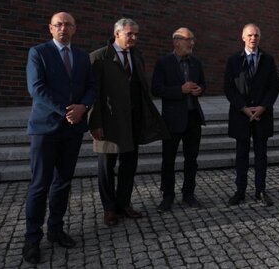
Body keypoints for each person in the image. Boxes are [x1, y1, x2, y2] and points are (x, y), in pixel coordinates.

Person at [23, 12, 96, 264]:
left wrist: (83, 107)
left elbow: (92, 87)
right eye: (58, 25)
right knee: (39, 184)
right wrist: (69, 110)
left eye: (68, 25)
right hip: (45, 129)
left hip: (72, 130)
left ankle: (55, 229)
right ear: (50, 29)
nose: (63, 29)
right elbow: (37, 89)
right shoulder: (38, 53)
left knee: (63, 182)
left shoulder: (82, 57)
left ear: (75, 29)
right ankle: (32, 238)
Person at [88, 18, 169, 226]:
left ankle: (123, 204)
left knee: (129, 165)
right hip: (108, 123)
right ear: (117, 34)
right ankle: (109, 209)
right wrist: (94, 123)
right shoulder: (99, 57)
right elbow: (93, 94)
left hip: (133, 121)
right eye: (130, 34)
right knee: (106, 167)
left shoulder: (137, 56)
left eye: (136, 35)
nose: (134, 38)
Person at [224, 23, 279, 206]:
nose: (253, 38)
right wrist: (244, 108)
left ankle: (260, 190)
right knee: (241, 156)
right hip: (241, 115)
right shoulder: (233, 61)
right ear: (243, 37)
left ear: (259, 37)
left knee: (261, 156)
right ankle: (240, 191)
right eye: (249, 35)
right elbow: (229, 88)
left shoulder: (268, 60)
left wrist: (263, 107)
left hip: (262, 115)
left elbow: (274, 87)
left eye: (256, 35)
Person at [152, 27, 206, 211]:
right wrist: (179, 90)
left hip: (193, 119)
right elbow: (156, 89)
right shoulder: (164, 63)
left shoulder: (196, 62)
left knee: (192, 159)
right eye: (187, 39)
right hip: (172, 119)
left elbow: (203, 83)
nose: (192, 43)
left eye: (193, 39)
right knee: (168, 160)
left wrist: (200, 90)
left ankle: (188, 194)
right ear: (176, 42)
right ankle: (167, 196)